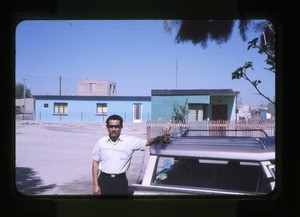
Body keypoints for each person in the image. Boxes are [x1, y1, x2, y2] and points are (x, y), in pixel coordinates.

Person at [91, 114, 170, 196]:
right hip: (103, 180)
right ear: (107, 127)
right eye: (111, 126)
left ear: (121, 127)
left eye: (117, 126)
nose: (113, 129)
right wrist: (95, 185)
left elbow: (147, 142)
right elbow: (95, 164)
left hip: (120, 181)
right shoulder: (101, 142)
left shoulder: (129, 141)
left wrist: (160, 138)